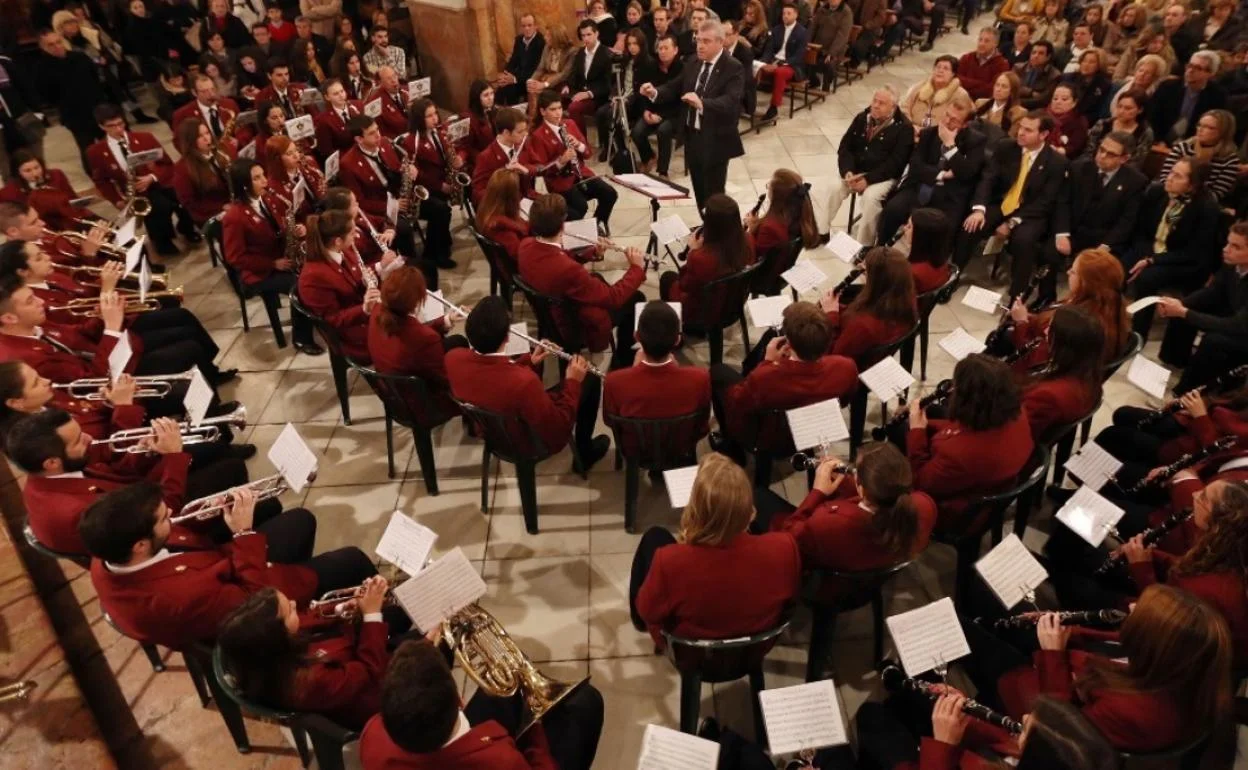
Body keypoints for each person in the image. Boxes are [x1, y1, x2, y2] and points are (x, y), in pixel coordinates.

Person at [80, 481, 379, 650]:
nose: (171, 514)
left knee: (300, 520)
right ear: (140, 546)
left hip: (222, 567)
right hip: (256, 599)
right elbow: (255, 601)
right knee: (351, 559)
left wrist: (210, 513)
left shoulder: (108, 553)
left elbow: (183, 542)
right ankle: (382, 608)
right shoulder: (180, 597)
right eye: (162, 519)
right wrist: (243, 534)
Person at [629, 452, 801, 648]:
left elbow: (647, 610)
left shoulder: (668, 561)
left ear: (696, 508)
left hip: (691, 653)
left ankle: (637, 623)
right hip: (755, 648)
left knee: (654, 536)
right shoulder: (785, 548)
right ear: (747, 506)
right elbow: (788, 605)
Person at [359, 639, 605, 770]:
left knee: (504, 686)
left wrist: (424, 649)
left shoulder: (372, 734)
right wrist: (534, 724)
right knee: (587, 704)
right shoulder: (500, 761)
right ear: (458, 698)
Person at [446, 295, 610, 473]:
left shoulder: (452, 358)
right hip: (524, 440)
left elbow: (494, 374)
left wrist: (530, 361)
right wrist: (573, 381)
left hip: (490, 431)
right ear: (507, 338)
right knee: (591, 380)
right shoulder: (524, 382)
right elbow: (558, 429)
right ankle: (584, 454)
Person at [216, 579, 395, 730]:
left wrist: (344, 606)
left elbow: (312, 616)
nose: (294, 603)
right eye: (290, 610)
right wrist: (371, 614)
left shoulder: (272, 653)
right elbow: (369, 671)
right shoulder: (308, 682)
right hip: (373, 694)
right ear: (278, 637)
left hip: (355, 655)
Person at [709, 302, 858, 466]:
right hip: (811, 430)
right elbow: (843, 401)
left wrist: (767, 362)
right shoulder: (847, 367)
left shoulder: (765, 377)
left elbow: (737, 402)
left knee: (718, 372)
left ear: (789, 343)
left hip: (766, 439)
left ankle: (729, 444)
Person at [905, 353, 1034, 533]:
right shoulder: (1016, 411)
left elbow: (921, 481)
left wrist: (916, 431)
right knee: (933, 411)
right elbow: (965, 429)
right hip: (990, 476)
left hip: (958, 513)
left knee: (901, 439)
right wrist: (926, 423)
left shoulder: (957, 455)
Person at [517, 194, 644, 367]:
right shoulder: (570, 271)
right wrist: (636, 268)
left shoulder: (526, 245)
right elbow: (613, 298)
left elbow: (559, 257)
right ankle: (624, 357)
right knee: (636, 297)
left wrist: (595, 253)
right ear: (563, 223)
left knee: (597, 278)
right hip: (570, 323)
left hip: (550, 307)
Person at [960, 110, 1068, 298]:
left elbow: (1045, 201)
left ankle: (1016, 295)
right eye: (1020, 127)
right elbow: (988, 179)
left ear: (1043, 135)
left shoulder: (1056, 162)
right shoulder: (1006, 148)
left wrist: (1012, 223)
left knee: (1023, 241)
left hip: (1029, 212)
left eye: (1028, 130)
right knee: (971, 225)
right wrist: (979, 209)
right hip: (1002, 203)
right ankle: (954, 274)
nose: (1020, 133)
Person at [639, 20, 745, 211]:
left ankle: (716, 232)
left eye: (706, 41)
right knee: (699, 187)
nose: (700, 46)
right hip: (692, 135)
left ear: (720, 42)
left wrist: (702, 103)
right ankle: (705, 225)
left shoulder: (733, 67)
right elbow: (675, 86)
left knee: (715, 192)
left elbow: (730, 101)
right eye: (698, 40)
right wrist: (654, 92)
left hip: (716, 138)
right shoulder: (693, 62)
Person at [221, 158, 323, 355]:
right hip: (258, 273)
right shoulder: (235, 217)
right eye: (257, 178)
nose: (264, 181)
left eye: (263, 175)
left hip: (280, 257)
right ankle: (301, 338)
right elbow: (235, 258)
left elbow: (276, 227)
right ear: (244, 185)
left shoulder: (266, 199)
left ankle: (318, 313)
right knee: (300, 286)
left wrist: (294, 230)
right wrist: (272, 264)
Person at [1126, 158, 1223, 340]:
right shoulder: (1157, 192)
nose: (1169, 178)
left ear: (1192, 185)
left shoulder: (1205, 207)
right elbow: (1141, 231)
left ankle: (1137, 335)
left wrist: (1151, 261)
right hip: (1151, 250)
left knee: (1147, 278)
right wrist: (1146, 255)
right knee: (1116, 266)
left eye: (1177, 176)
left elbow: (1193, 252)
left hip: (1184, 261)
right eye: (1170, 172)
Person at [603, 300, 712, 453]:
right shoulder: (700, 378)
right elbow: (702, 426)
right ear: (677, 340)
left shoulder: (614, 382)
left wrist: (633, 373)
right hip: (682, 447)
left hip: (636, 449)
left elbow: (610, 422)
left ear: (636, 336)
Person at [876, 95, 986, 247]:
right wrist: (941, 175)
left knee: (942, 229)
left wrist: (949, 146)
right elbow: (915, 166)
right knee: (893, 209)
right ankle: (879, 250)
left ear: (965, 124)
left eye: (954, 120)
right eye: (947, 115)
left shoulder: (976, 141)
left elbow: (967, 173)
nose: (947, 121)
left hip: (948, 197)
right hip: (919, 188)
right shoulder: (929, 133)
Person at [1050, 132, 1147, 301]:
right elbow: (1063, 202)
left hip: (1105, 239)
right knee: (1048, 252)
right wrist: (1062, 233)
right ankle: (1047, 297)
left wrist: (1106, 245)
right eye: (1101, 149)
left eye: (1111, 154)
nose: (1102, 156)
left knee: (1106, 273)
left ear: (1124, 159)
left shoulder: (1135, 182)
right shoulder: (1078, 168)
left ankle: (1091, 309)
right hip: (1075, 232)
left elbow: (1127, 220)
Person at [337, 115, 432, 287]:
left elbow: (395, 170)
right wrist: (392, 206)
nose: (378, 135)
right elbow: (360, 202)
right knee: (403, 229)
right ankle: (410, 272)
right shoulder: (348, 164)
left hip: (399, 196)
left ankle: (435, 253)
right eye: (372, 133)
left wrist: (408, 170)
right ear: (359, 139)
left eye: (377, 130)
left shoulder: (386, 144)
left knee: (439, 208)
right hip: (380, 210)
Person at [1155, 223, 1248, 394]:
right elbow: (1212, 292)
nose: (1226, 249)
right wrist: (1181, 304)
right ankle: (1174, 364)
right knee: (1183, 311)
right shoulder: (1231, 264)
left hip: (1243, 330)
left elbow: (1237, 326)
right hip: (1235, 314)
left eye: (1236, 247)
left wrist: (1185, 312)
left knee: (1214, 340)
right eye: (1228, 243)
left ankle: (1184, 391)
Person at [367, 265, 467, 423]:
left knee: (457, 342)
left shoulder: (378, 311)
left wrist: (446, 320)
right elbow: (442, 377)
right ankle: (473, 421)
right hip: (421, 402)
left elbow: (412, 335)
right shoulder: (425, 338)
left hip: (392, 388)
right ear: (415, 302)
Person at [1006, 248, 1130, 371]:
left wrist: (1021, 323)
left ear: (1088, 282)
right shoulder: (1107, 304)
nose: (1068, 272)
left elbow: (1037, 360)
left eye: (1074, 272)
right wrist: (1027, 316)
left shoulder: (1079, 321)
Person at [824, 86, 913, 245]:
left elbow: (896, 164)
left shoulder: (904, 128)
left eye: (882, 103)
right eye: (874, 101)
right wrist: (848, 172)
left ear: (893, 107)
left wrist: (868, 179)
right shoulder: (862, 117)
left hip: (883, 177)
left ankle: (863, 246)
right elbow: (845, 147)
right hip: (856, 171)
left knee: (870, 199)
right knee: (833, 187)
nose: (876, 105)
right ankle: (821, 232)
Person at [520, 89, 618, 233]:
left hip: (581, 174)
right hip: (560, 181)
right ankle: (578, 234)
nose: (558, 113)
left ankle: (596, 225)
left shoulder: (570, 124)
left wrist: (578, 145)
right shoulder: (538, 135)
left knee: (610, 193)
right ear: (542, 111)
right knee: (581, 207)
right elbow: (542, 169)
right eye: (553, 109)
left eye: (559, 108)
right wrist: (561, 161)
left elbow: (588, 153)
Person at [659, 194, 755, 331]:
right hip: (734, 303)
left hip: (705, 312)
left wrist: (693, 251)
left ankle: (675, 331)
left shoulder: (700, 258)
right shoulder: (749, 239)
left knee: (667, 278)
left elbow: (684, 284)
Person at [296, 210, 378, 362]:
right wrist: (365, 309)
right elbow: (332, 319)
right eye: (353, 233)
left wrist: (365, 282)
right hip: (349, 334)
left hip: (361, 313)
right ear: (338, 241)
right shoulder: (312, 277)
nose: (356, 236)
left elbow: (350, 283)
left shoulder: (343, 251)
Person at [819, 247, 918, 364]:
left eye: (866, 271)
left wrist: (831, 315)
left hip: (852, 367)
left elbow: (835, 357)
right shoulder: (907, 300)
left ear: (877, 281)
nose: (861, 267)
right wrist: (836, 306)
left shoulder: (862, 327)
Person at [395, 97, 462, 271]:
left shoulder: (438, 134)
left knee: (443, 208)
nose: (435, 119)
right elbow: (417, 175)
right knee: (441, 210)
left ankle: (443, 242)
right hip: (421, 192)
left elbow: (446, 157)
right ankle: (433, 254)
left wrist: (455, 162)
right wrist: (441, 186)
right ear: (419, 119)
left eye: (435, 114)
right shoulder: (411, 142)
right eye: (429, 116)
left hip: (437, 184)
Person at [1020, 305, 1105, 440]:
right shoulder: (1089, 372)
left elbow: (1021, 433)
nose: (1046, 331)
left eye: (1050, 329)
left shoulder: (1046, 396)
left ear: (1063, 345)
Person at [34, 29, 108, 172]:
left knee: (107, 143)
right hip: (74, 115)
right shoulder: (41, 69)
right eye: (51, 45)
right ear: (43, 47)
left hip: (97, 108)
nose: (57, 46)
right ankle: (96, 176)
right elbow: (45, 95)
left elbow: (95, 79)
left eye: (58, 42)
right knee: (87, 148)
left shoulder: (79, 57)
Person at [747, 168, 820, 292]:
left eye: (769, 186)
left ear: (776, 196)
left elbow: (752, 256)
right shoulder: (798, 217)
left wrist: (749, 231)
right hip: (783, 270)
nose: (768, 188)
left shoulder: (769, 227)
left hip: (762, 279)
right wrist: (756, 224)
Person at [1158, 109, 1241, 203]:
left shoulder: (1229, 159)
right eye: (1199, 125)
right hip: (1168, 196)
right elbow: (1164, 178)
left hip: (1199, 205)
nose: (1200, 130)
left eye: (1209, 127)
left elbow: (1217, 194)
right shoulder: (1183, 147)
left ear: (1223, 132)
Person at [631, 34, 683, 177]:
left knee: (664, 130)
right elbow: (642, 93)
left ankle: (662, 171)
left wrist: (661, 116)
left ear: (675, 50)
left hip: (674, 114)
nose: (663, 51)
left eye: (666, 48)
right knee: (637, 132)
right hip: (653, 110)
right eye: (660, 48)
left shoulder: (682, 68)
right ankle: (649, 157)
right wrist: (645, 111)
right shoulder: (652, 66)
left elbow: (680, 100)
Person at [1, 151, 91, 233]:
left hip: (72, 219)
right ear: (18, 173)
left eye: (37, 167)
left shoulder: (56, 175)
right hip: (42, 230)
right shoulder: (9, 193)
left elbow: (73, 199)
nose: (35, 174)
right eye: (27, 171)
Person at [1148, 50, 1227, 144]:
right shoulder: (1167, 87)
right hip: (1159, 142)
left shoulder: (1217, 96)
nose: (1190, 71)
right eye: (1189, 65)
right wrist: (1158, 140)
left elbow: (1214, 129)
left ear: (1210, 73)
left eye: (1198, 68)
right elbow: (1151, 117)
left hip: (1194, 146)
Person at [171, 118, 235, 228]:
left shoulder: (221, 151)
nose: (207, 138)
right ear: (190, 141)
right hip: (210, 214)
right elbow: (189, 202)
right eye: (200, 136)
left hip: (232, 204)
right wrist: (222, 207)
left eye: (207, 133)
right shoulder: (182, 168)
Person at [757, 3, 809, 121]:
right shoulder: (777, 29)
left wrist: (783, 63)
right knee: (756, 67)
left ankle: (773, 108)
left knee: (780, 72)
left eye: (789, 13)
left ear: (796, 15)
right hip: (775, 61)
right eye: (784, 13)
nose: (785, 16)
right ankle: (747, 101)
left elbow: (799, 56)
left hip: (792, 65)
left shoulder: (802, 32)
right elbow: (769, 50)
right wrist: (764, 62)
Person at [470, 108, 533, 206]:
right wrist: (504, 175)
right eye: (520, 132)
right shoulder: (486, 157)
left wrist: (525, 170)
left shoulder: (522, 145)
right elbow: (478, 192)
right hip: (503, 206)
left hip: (525, 199)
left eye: (525, 130)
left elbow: (537, 167)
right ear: (506, 133)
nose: (525, 134)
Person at [562, 19, 612, 139]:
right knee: (554, 100)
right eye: (583, 35)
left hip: (598, 96)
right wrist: (567, 85)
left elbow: (607, 84)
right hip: (580, 91)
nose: (586, 39)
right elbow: (573, 73)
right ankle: (564, 140)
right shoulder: (580, 52)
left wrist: (588, 94)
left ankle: (581, 141)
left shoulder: (606, 54)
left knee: (574, 107)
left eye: (589, 34)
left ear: (596, 34)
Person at [1083, 89, 1154, 168]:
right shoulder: (1103, 124)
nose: (1121, 111)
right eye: (1119, 106)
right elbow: (1088, 151)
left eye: (1128, 108)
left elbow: (1136, 162)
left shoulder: (1144, 132)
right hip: (1094, 166)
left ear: (1140, 110)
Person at [900, 56, 972, 131]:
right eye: (938, 67)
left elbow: (956, 121)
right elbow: (905, 108)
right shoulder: (920, 87)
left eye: (946, 68)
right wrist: (910, 127)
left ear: (953, 74)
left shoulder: (960, 94)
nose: (940, 71)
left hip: (938, 135)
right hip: (911, 130)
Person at [494, 13, 545, 105]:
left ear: (536, 26)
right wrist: (506, 75)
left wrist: (514, 79)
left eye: (530, 25)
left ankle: (514, 116)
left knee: (510, 88)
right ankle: (495, 114)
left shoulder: (541, 42)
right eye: (524, 26)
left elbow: (535, 68)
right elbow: (513, 61)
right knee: (501, 87)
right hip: (518, 76)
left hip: (531, 78)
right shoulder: (519, 40)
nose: (527, 28)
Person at [526, 23, 576, 116]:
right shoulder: (547, 48)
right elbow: (540, 68)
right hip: (547, 78)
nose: (545, 37)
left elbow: (564, 74)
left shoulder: (571, 51)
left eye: (548, 35)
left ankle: (536, 119)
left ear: (556, 37)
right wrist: (531, 80)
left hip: (562, 83)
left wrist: (545, 84)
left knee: (539, 90)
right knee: (532, 88)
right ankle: (533, 119)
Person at [904, 208, 955, 294]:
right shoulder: (943, 263)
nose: (905, 228)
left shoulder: (910, 273)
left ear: (921, 237)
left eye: (909, 226)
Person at [807, 0, 853, 89]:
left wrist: (831, 52)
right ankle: (814, 81)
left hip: (836, 49)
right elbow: (813, 28)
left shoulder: (846, 13)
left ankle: (826, 86)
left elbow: (842, 36)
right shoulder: (822, 9)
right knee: (805, 58)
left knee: (829, 63)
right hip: (818, 47)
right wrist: (807, 44)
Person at [312, 78, 361, 159]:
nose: (341, 95)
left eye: (342, 91)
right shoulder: (323, 120)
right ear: (327, 97)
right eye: (336, 94)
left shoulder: (358, 105)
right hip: (346, 159)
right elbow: (327, 151)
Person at [958, 27, 1010, 101]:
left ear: (995, 44)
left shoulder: (1002, 64)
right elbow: (956, 79)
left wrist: (967, 85)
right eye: (980, 40)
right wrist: (980, 84)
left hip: (983, 104)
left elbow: (991, 90)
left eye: (987, 41)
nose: (981, 44)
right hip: (959, 99)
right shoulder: (966, 58)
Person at [972, 71, 1026, 138]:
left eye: (1004, 86)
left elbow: (1009, 139)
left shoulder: (1018, 113)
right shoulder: (980, 103)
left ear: (1012, 91)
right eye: (997, 85)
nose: (998, 89)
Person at [1045, 82, 1089, 159]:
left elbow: (1076, 147)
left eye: (1064, 99)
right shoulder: (1042, 115)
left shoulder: (1079, 121)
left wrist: (1061, 150)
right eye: (1055, 98)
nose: (1058, 102)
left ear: (1074, 103)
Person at [1014, 40, 1061, 109]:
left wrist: (1018, 102)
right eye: (1033, 52)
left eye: (1041, 53)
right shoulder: (1018, 68)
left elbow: (1043, 100)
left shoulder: (1054, 75)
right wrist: (1030, 92)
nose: (1036, 56)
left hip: (1036, 110)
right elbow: (1012, 89)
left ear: (1048, 57)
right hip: (1014, 105)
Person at [365, 66, 409, 139]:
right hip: (396, 140)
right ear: (381, 83)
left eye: (394, 76)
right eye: (389, 78)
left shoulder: (407, 90)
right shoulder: (376, 103)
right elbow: (381, 132)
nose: (393, 80)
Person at [463, 80, 497, 162]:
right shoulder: (467, 118)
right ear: (477, 98)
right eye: (486, 95)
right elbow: (468, 148)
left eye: (492, 93)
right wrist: (485, 159)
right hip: (483, 161)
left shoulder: (495, 111)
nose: (490, 98)